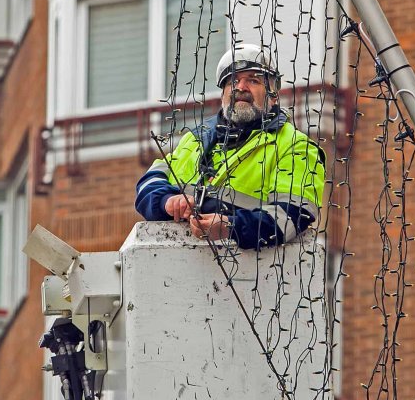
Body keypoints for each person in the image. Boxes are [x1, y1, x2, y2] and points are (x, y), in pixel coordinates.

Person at [135, 44, 326, 249]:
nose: (240, 88)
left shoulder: (295, 146)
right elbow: (148, 183)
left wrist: (230, 227)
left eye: (253, 80)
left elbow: (294, 215)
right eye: (233, 81)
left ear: (273, 95)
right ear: (223, 93)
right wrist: (168, 200)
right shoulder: (195, 139)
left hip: (252, 272)